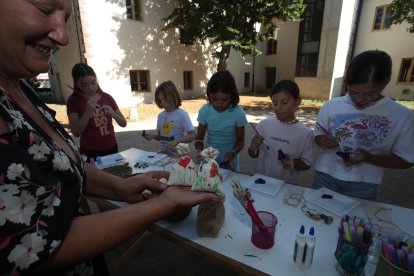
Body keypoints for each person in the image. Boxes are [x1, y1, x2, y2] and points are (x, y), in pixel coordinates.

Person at [0, 1, 218, 275]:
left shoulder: (20, 90)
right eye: (44, 9)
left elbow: (64, 166)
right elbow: (30, 245)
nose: (64, 37)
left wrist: (121, 187)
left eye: (66, 19)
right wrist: (163, 204)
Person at [313, 50, 414, 200]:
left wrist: (369, 158)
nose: (359, 99)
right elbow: (318, 136)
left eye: (369, 94)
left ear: (385, 82)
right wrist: (322, 140)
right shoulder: (331, 106)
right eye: (352, 91)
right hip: (325, 175)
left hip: (364, 185)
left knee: (354, 223)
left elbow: (406, 160)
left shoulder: (402, 116)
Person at [248, 80, 314, 184]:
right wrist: (253, 147)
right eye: (275, 103)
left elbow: (306, 164)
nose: (278, 108)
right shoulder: (264, 125)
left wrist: (292, 162)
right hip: (261, 180)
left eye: (284, 103)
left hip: (287, 185)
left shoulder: (305, 133)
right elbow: (252, 154)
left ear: (297, 102)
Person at [67, 62, 127, 162]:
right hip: (90, 151)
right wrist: (87, 112)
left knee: (114, 175)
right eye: (84, 85)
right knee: (97, 177)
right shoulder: (73, 101)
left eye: (93, 82)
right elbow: (76, 132)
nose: (90, 88)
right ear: (76, 84)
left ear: (96, 80)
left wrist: (114, 114)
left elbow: (123, 123)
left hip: (111, 147)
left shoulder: (107, 97)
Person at [195, 71, 248, 172]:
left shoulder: (238, 113)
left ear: (232, 97)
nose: (219, 104)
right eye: (214, 99)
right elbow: (199, 139)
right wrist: (199, 152)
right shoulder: (205, 110)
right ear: (209, 95)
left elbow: (241, 141)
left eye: (224, 100)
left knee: (229, 186)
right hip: (209, 159)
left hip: (230, 160)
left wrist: (233, 152)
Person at [143, 80, 196, 151]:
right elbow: (161, 137)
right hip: (163, 153)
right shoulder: (161, 116)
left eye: (165, 99)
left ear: (173, 96)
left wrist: (177, 141)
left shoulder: (182, 114)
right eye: (160, 100)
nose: (162, 103)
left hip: (178, 155)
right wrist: (153, 136)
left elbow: (193, 135)